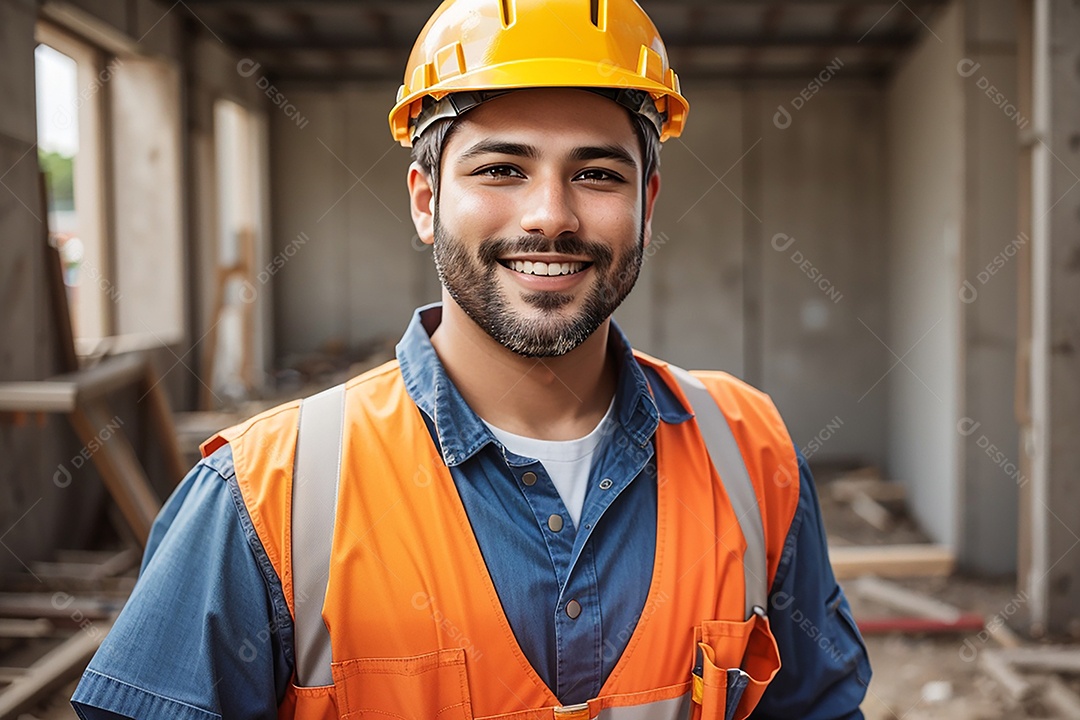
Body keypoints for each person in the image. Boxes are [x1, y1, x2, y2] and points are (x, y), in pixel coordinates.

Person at [72, 0, 871, 718]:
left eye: (596, 174)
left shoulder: (749, 451)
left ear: (647, 206)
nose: (550, 217)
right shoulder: (264, 496)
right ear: (425, 200)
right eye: (501, 169)